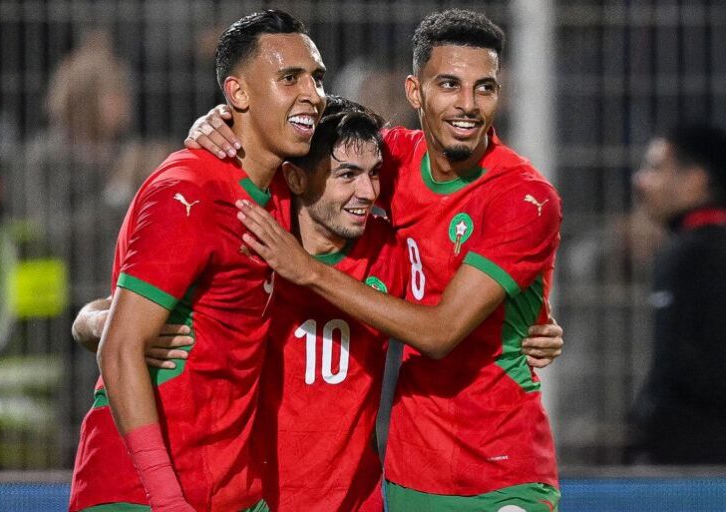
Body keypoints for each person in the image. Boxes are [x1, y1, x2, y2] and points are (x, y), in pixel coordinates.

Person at [76, 96, 564, 511]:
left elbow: (448, 314)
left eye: (374, 174)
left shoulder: (391, 253)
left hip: (354, 501)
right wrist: (95, 323)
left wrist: (533, 327)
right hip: (257, 498)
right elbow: (123, 312)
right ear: (296, 179)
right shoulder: (255, 237)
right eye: (346, 174)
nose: (367, 193)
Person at [189, 9, 562, 510]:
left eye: (485, 88)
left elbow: (440, 332)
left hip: (502, 467)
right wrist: (226, 120)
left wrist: (308, 272)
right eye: (449, 85)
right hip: (413, 473)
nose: (467, 105)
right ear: (415, 92)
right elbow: (305, 137)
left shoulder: (522, 197)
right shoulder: (390, 161)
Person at [68, 10, 326, 512]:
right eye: (290, 78)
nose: (312, 93)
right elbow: (120, 348)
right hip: (142, 494)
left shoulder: (281, 186)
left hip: (229, 485)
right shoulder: (188, 191)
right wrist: (167, 500)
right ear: (238, 93)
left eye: (317, 77)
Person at [627, 123, 726, 464]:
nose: (640, 181)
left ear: (694, 180)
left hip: (694, 468)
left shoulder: (691, 253)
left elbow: (680, 370)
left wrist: (648, 427)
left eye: (655, 168)